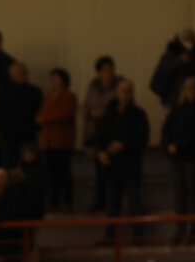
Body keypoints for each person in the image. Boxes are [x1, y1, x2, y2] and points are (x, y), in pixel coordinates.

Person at [162, 77, 195, 244]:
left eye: (194, 89)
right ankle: (180, 228)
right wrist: (169, 145)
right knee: (179, 194)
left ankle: (194, 229)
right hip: (177, 157)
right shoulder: (178, 109)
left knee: (192, 193)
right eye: (188, 89)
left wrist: (180, 146)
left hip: (193, 157)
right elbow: (167, 129)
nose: (190, 92)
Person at [95, 80, 149, 242]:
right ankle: (110, 236)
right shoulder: (109, 114)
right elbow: (100, 136)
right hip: (112, 165)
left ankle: (138, 235)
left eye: (128, 91)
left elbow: (142, 138)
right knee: (112, 204)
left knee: (134, 202)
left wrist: (123, 145)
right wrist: (101, 152)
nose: (125, 94)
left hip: (131, 164)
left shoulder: (139, 114)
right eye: (122, 90)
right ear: (117, 93)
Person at [83, 57, 123, 212]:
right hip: (95, 132)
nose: (108, 72)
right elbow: (85, 105)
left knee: (111, 172)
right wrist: (91, 113)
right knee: (98, 170)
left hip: (112, 132)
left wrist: (105, 113)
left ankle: (113, 203)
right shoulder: (93, 86)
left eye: (110, 69)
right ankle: (100, 200)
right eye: (104, 70)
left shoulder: (119, 85)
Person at [36, 68, 77, 212]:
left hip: (62, 140)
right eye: (52, 78)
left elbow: (64, 114)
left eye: (56, 78)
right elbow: (41, 114)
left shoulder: (69, 96)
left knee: (63, 172)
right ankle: (53, 202)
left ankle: (66, 201)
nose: (53, 81)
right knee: (51, 173)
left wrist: (46, 119)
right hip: (48, 141)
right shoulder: (48, 97)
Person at [0, 62, 43, 168]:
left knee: (31, 165)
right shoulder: (3, 92)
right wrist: (5, 128)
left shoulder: (34, 92)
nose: (24, 75)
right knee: (10, 164)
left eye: (25, 72)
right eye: (20, 73)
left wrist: (35, 127)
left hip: (29, 135)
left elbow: (41, 113)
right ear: (12, 75)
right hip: (9, 136)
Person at [150, 29, 195, 108]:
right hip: (173, 95)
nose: (189, 42)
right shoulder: (172, 51)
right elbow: (163, 69)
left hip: (193, 95)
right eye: (186, 39)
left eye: (191, 39)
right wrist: (179, 60)